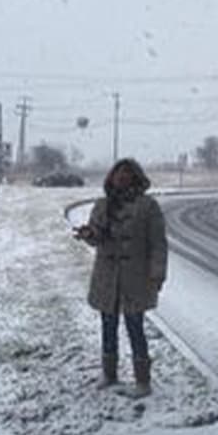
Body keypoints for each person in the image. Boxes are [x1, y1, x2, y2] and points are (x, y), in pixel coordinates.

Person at [73, 158, 167, 396]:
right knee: (108, 326)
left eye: (127, 173)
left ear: (136, 177)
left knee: (135, 327)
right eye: (118, 173)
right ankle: (109, 374)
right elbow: (97, 237)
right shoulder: (103, 205)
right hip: (107, 277)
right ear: (111, 177)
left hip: (136, 277)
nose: (122, 177)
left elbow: (158, 244)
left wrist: (157, 273)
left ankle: (142, 381)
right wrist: (88, 234)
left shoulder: (148, 206)